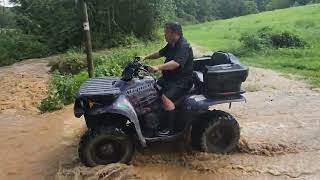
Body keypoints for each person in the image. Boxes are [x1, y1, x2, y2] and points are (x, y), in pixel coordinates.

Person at [141, 22, 194, 136]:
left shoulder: (183, 46)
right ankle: (155, 117)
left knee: (166, 98)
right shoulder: (172, 44)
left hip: (181, 81)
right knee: (152, 87)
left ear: (175, 33)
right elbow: (160, 53)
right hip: (169, 78)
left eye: (166, 32)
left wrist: (158, 67)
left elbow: (175, 64)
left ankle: (170, 129)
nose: (164, 35)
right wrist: (145, 57)